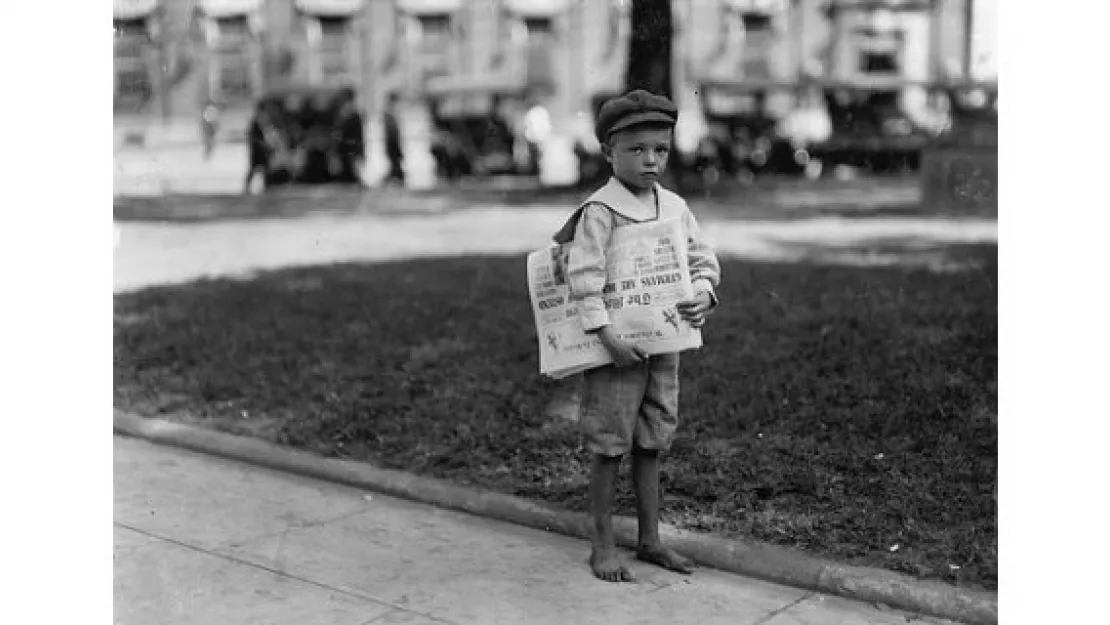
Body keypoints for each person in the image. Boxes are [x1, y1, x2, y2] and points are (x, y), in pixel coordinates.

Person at [552, 90, 721, 583]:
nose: (651, 160)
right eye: (636, 149)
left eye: (661, 149)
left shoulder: (673, 206)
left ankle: (651, 540)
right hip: (615, 351)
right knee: (609, 443)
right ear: (608, 152)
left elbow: (700, 259)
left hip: (663, 345)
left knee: (652, 440)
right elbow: (583, 277)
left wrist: (705, 292)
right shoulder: (601, 210)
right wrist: (606, 335)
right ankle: (602, 544)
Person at [382, 92, 405, 186]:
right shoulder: (389, 114)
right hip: (392, 142)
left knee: (395, 162)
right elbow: (391, 131)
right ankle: (395, 179)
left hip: (393, 142)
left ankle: (395, 178)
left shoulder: (391, 113)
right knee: (395, 162)